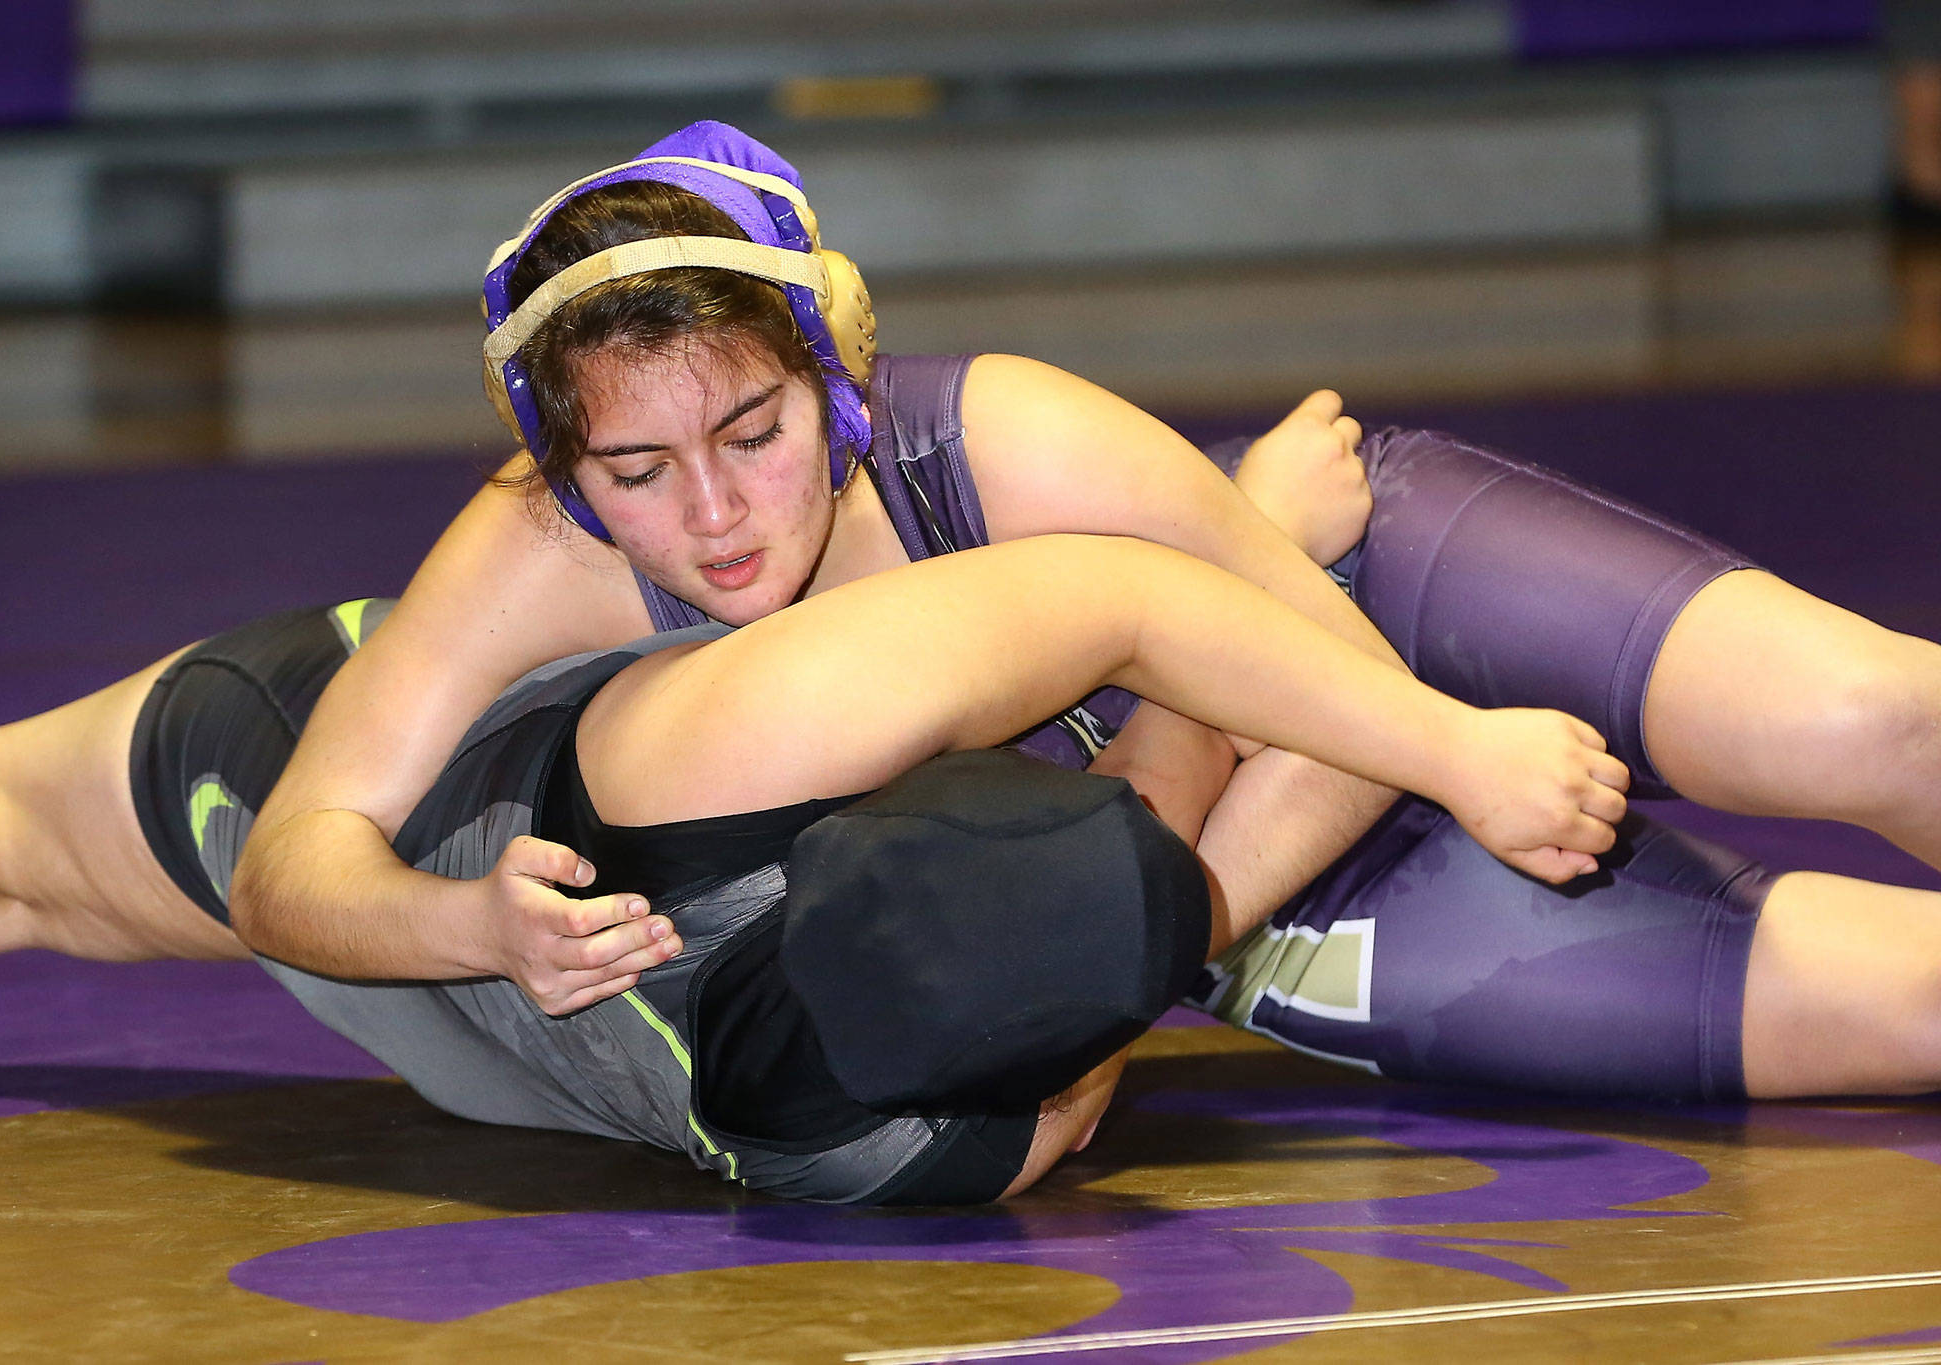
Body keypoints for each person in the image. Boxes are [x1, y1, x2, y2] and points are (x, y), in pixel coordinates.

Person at [231, 120, 1941, 1044]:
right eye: (634, 474)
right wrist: (466, 925)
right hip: (1257, 870)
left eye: (753, 431)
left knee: (1890, 713)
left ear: (834, 382)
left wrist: (1439, 750)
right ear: (563, 471)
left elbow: (1337, 680)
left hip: (1368, 631)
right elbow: (293, 865)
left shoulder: (1002, 439)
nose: (715, 515)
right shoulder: (536, 548)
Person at [0, 532, 1639, 1202]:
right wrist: (1433, 734)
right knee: (0, 862)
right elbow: (1167, 837)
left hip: (380, 863)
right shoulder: (917, 1148)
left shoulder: (765, 765)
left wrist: (1246, 673)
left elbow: (1147, 681)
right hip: (368, 821)